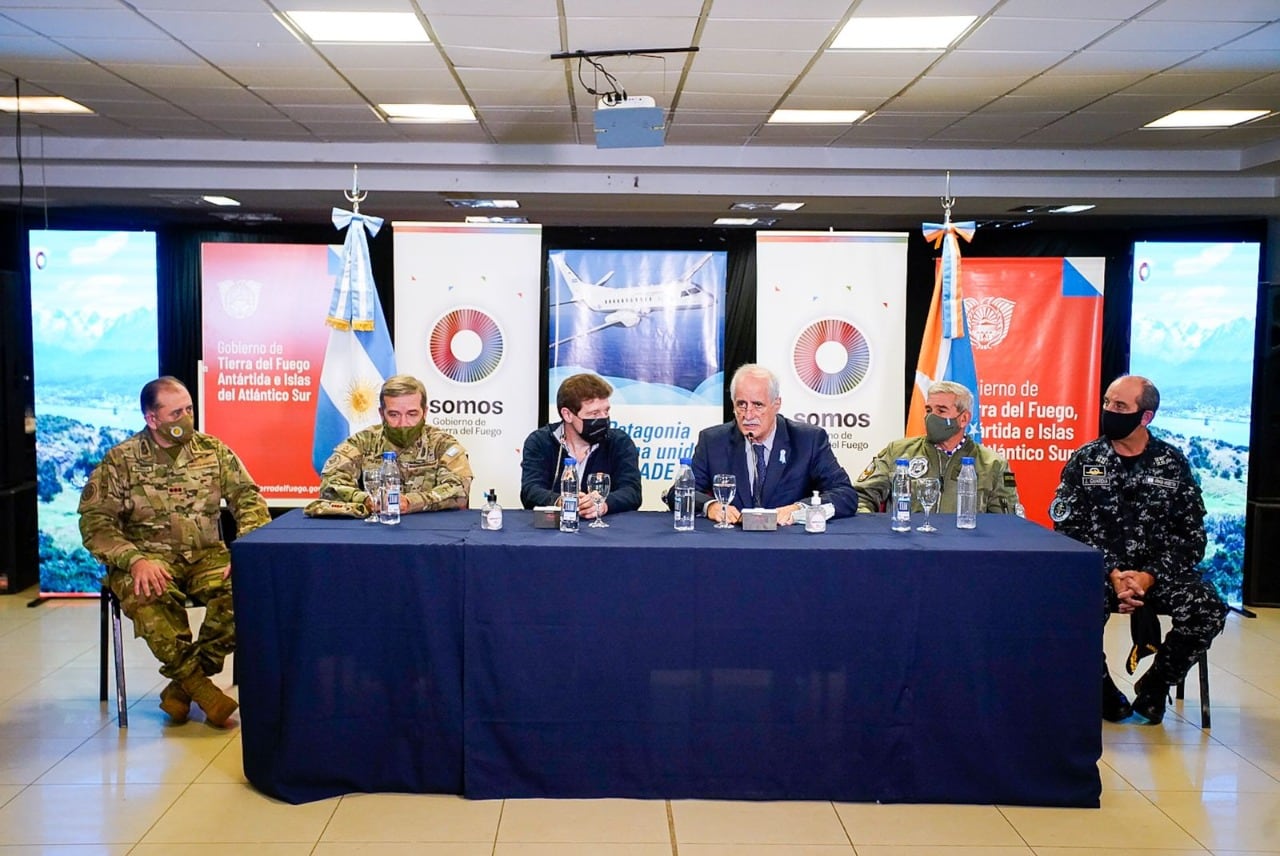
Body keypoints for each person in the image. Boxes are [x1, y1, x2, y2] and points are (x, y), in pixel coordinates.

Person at [78, 376, 270, 727]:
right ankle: (202, 688)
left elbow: (248, 498)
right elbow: (96, 523)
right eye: (176, 412)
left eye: (189, 409)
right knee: (149, 596)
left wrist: (247, 549)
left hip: (206, 556)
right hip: (147, 560)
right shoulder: (121, 460)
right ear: (152, 418)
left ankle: (183, 687)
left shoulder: (212, 451)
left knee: (247, 587)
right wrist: (134, 560)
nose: (186, 418)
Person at [1051, 374, 1227, 725]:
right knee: (1060, 607)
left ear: (1145, 416)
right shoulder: (1086, 460)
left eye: (1120, 406)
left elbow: (1192, 537)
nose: (1109, 411)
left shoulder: (1171, 463)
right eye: (1107, 403)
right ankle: (1101, 691)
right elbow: (1067, 529)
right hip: (1099, 574)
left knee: (1208, 608)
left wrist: (1148, 576)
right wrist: (1114, 573)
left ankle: (1156, 686)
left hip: (1158, 576)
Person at [683, 363, 858, 525]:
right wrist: (710, 506)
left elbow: (846, 495)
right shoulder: (713, 441)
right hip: (731, 544)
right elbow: (679, 492)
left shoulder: (808, 440)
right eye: (741, 405)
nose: (748, 415)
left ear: (776, 405)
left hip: (789, 545)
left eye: (758, 405)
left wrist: (799, 509)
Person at [853, 380, 1020, 514]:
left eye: (941, 411)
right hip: (907, 547)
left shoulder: (993, 464)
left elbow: (1008, 521)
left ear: (963, 419)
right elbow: (861, 496)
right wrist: (872, 529)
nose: (931, 417)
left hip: (965, 551)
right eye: (928, 410)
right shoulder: (898, 452)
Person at [319, 375, 473, 513]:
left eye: (412, 414)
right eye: (394, 415)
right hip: (373, 532)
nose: (403, 423)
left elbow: (459, 489)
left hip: (430, 531)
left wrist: (411, 502)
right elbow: (331, 484)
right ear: (382, 414)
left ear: (425, 413)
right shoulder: (362, 442)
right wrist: (365, 500)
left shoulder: (442, 444)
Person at [520, 372, 642, 519]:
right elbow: (530, 491)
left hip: (607, 534)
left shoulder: (619, 442)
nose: (603, 418)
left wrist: (603, 504)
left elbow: (632, 492)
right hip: (554, 532)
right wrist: (561, 502)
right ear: (567, 415)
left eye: (606, 411)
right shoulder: (540, 441)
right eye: (594, 413)